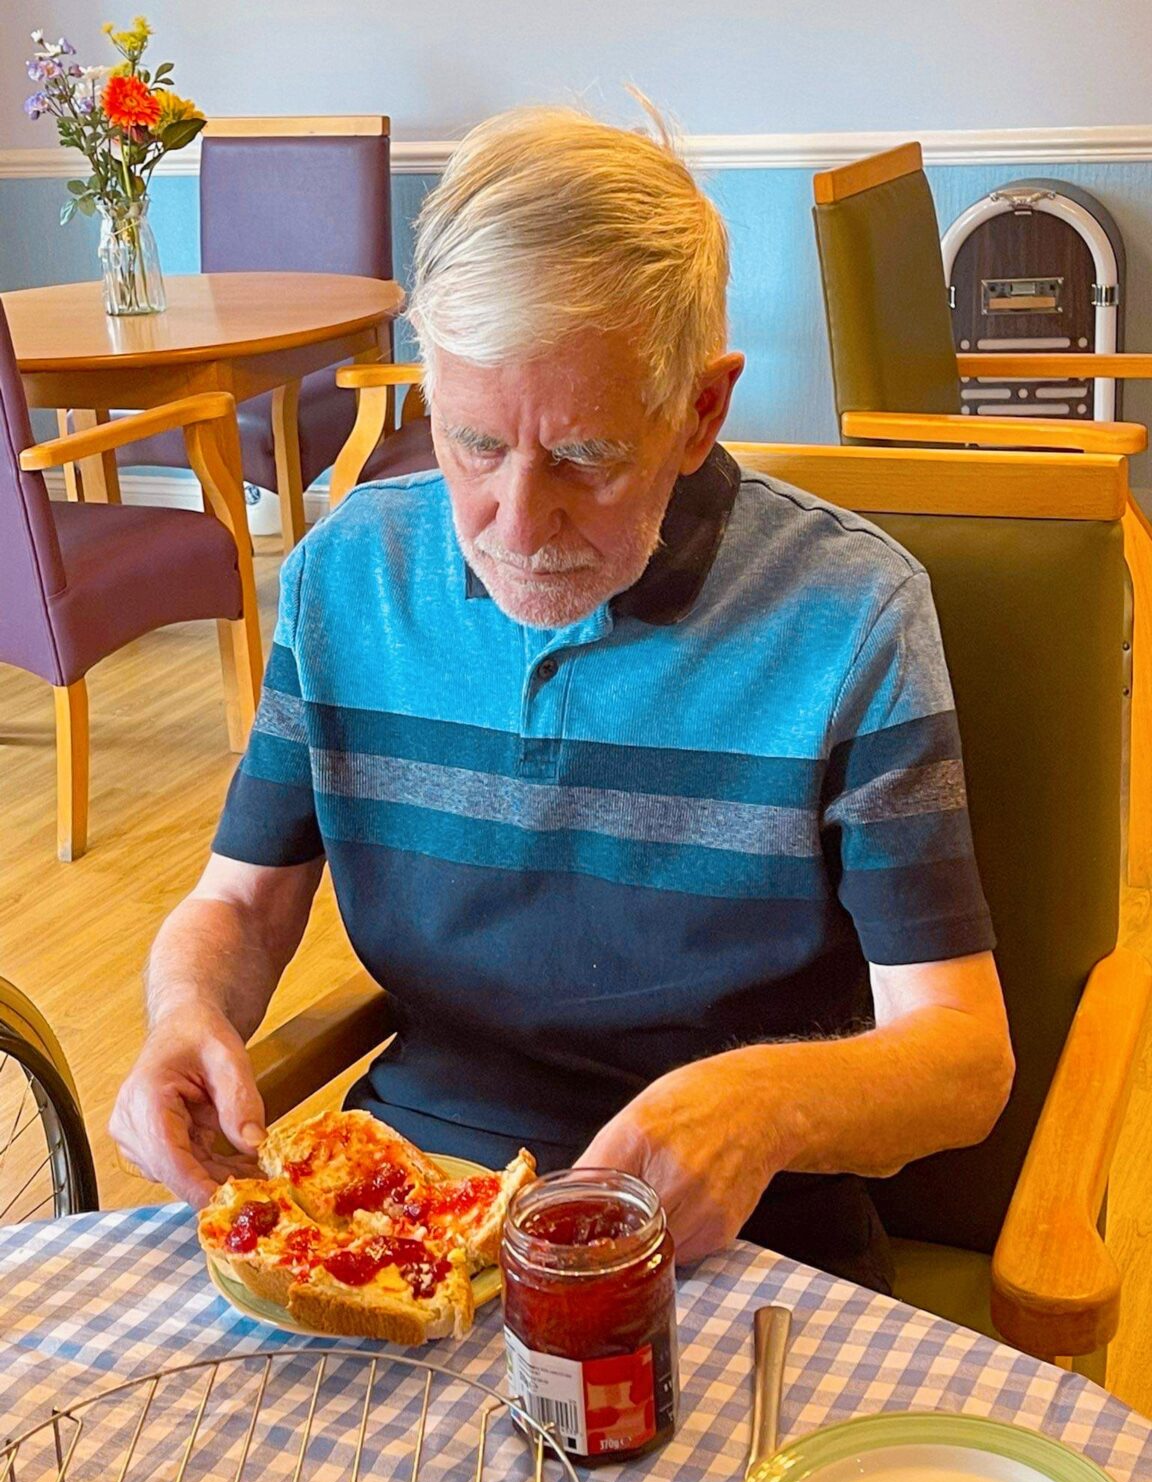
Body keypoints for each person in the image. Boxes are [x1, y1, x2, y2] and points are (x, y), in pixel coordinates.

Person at [110, 103, 1014, 1291]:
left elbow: (963, 1057)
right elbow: (239, 902)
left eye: (585, 456)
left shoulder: (851, 616)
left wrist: (768, 1102)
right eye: (474, 445)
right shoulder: (347, 575)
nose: (518, 525)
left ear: (699, 412)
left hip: (733, 1242)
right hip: (412, 1205)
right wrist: (185, 1011)